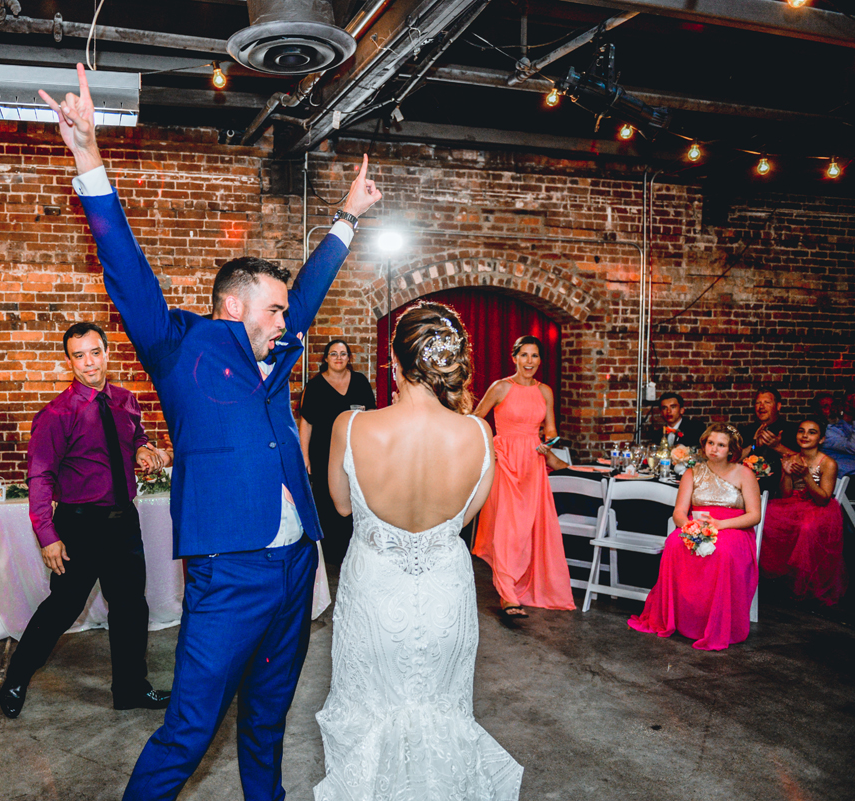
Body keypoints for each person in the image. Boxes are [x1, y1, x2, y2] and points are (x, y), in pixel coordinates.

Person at [40, 65, 382, 801]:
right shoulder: (179, 347)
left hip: (296, 567)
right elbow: (126, 270)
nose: (287, 320)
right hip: (230, 570)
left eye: (287, 311)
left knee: (268, 717)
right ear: (233, 307)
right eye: (274, 309)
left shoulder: (282, 348)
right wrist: (89, 159)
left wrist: (348, 218)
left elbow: (312, 292)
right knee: (192, 727)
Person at [314, 303, 522, 801]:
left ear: (394, 358)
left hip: (374, 592)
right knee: (443, 712)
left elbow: (341, 506)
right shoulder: (477, 433)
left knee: (367, 713)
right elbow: (465, 516)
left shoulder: (350, 426)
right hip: (444, 598)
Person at [0, 322, 172, 719]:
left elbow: (135, 438)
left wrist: (144, 450)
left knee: (130, 607)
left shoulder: (126, 401)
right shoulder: (57, 414)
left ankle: (130, 689)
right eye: (79, 355)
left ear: (107, 352)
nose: (88, 362)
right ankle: (16, 678)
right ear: (69, 361)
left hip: (124, 521)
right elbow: (39, 476)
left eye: (95, 352)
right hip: (79, 525)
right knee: (62, 608)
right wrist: (47, 535)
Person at [628, 423, 762, 651]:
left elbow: (754, 515)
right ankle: (681, 617)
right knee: (673, 543)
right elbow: (679, 512)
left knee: (722, 551)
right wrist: (689, 528)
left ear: (731, 450)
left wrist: (720, 525)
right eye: (711, 443)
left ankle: (714, 623)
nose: (714, 449)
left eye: (721, 445)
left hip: (733, 528)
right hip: (696, 524)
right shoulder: (692, 472)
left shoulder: (745, 473)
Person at [471, 335, 575, 617]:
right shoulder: (501, 387)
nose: (530, 361)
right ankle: (507, 595)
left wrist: (548, 444)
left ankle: (526, 586)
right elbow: (477, 418)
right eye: (525, 355)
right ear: (514, 357)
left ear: (540, 360)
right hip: (504, 461)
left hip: (533, 462)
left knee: (528, 528)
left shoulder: (545, 392)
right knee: (506, 528)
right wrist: (487, 448)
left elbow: (551, 431)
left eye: (535, 356)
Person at [298, 339, 376, 564]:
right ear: (326, 359)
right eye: (333, 354)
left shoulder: (360, 382)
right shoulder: (315, 386)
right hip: (323, 453)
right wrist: (305, 456)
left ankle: (353, 547)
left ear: (349, 358)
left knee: (354, 496)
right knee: (325, 499)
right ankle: (330, 553)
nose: (339, 357)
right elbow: (307, 423)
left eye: (343, 353)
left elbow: (370, 416)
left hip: (356, 452)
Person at [760, 415, 846, 605]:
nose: (805, 436)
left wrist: (807, 475)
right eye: (801, 431)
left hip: (819, 507)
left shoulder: (828, 463)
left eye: (812, 432)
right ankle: (777, 578)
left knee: (806, 529)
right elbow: (786, 494)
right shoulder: (791, 457)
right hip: (793, 504)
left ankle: (803, 585)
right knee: (764, 519)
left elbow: (823, 499)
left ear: (821, 439)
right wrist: (787, 475)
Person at [740, 387, 796, 496]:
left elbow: (804, 461)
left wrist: (777, 447)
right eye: (758, 403)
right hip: (748, 489)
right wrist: (753, 445)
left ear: (778, 406)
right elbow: (732, 459)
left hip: (781, 491)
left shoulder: (791, 430)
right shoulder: (746, 431)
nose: (762, 407)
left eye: (767, 402)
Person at [820, 389, 855, 499]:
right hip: (849, 479)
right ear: (817, 412)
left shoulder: (844, 425)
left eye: (833, 405)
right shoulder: (826, 432)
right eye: (826, 407)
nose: (831, 409)